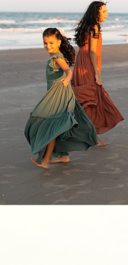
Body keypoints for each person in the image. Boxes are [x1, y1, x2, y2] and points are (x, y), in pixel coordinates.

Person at [25, 28, 97, 168]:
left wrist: (67, 79)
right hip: (57, 94)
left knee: (52, 124)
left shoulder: (57, 57)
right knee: (59, 124)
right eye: (45, 43)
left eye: (51, 43)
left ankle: (45, 161)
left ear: (58, 41)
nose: (48, 46)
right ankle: (64, 155)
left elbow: (68, 70)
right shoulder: (57, 55)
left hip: (59, 94)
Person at [72, 0, 123, 144]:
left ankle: (89, 135)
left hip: (81, 63)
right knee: (91, 99)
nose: (107, 14)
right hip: (88, 64)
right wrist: (97, 73)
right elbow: (93, 52)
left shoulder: (87, 26)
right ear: (96, 13)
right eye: (104, 11)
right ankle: (91, 137)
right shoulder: (94, 27)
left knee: (86, 99)